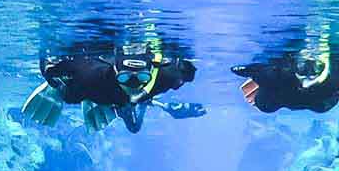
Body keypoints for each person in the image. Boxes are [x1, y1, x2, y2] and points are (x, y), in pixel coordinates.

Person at [21, 36, 204, 134]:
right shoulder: (90, 75)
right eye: (125, 78)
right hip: (97, 90)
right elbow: (51, 66)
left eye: (141, 78)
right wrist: (53, 84)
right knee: (71, 95)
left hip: (114, 95)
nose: (134, 85)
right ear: (116, 72)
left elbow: (189, 72)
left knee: (134, 125)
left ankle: (162, 106)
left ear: (151, 71)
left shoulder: (167, 75)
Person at [232, 31, 339, 114]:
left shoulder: (274, 76)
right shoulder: (338, 79)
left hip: (292, 95)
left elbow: (248, 71)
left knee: (266, 102)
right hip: (314, 99)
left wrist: (249, 72)